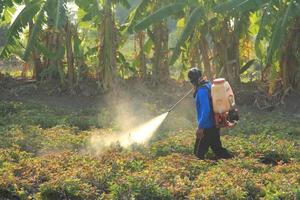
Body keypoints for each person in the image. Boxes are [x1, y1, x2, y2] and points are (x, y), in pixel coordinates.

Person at [188, 67, 233, 160]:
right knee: (218, 150)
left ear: (192, 81)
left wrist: (200, 127)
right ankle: (234, 160)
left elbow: (206, 110)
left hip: (207, 127)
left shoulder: (201, 91)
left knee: (197, 154)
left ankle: (196, 171)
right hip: (215, 124)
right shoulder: (208, 85)